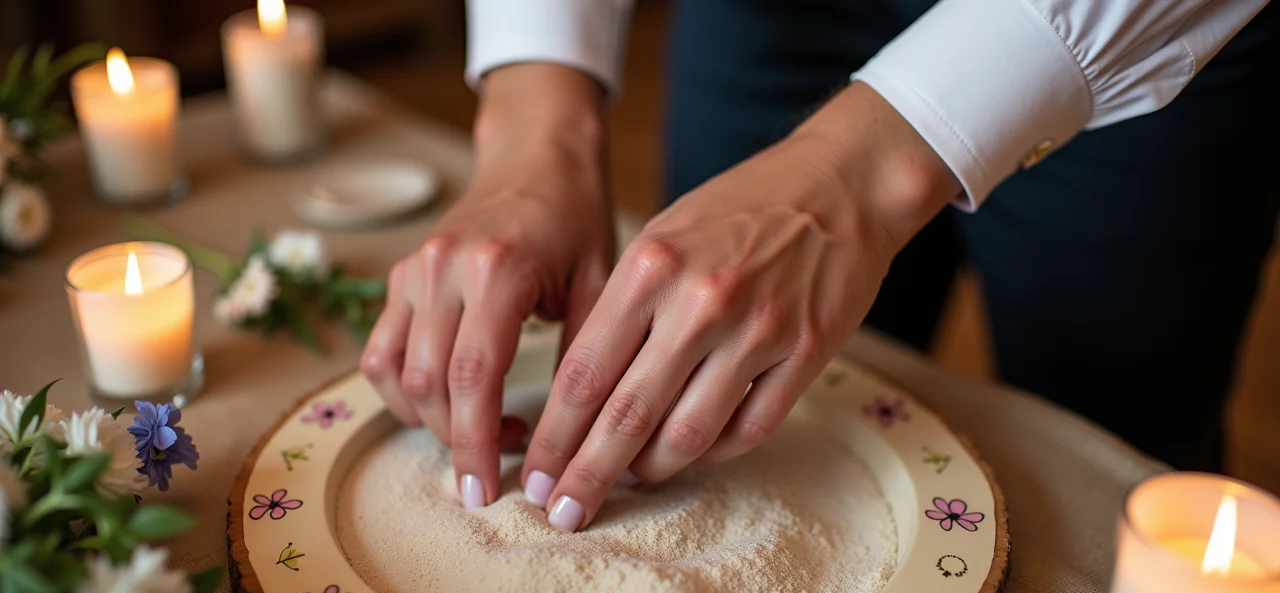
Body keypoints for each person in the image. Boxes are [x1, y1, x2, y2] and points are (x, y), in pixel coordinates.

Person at [361, 0, 1279, 533]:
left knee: (1109, 491)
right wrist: (535, 121)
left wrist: (862, 173)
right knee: (741, 420)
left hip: (1122, 36)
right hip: (769, 17)